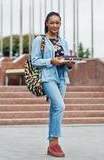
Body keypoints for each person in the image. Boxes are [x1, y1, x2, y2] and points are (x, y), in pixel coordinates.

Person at [31, 12, 75, 157]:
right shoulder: (40, 40)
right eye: (52, 22)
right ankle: (55, 143)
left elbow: (67, 61)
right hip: (47, 77)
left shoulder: (64, 41)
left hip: (62, 78)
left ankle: (51, 145)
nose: (55, 25)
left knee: (55, 108)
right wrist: (51, 61)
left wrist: (70, 63)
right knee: (60, 106)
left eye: (58, 23)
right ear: (46, 23)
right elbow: (35, 61)